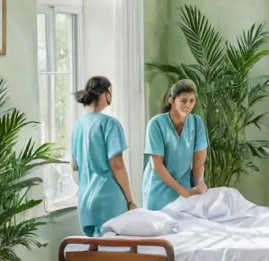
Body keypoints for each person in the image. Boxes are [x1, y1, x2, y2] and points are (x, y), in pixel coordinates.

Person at [69, 75, 137, 236]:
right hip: (109, 199)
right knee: (115, 253)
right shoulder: (110, 124)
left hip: (86, 201)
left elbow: (74, 165)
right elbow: (117, 165)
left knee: (96, 255)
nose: (111, 97)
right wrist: (130, 201)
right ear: (103, 94)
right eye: (110, 92)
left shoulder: (78, 126)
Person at [143, 79, 208, 210]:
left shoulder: (196, 123)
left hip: (185, 191)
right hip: (158, 191)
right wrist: (182, 191)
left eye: (192, 101)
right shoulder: (156, 124)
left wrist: (199, 187)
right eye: (183, 100)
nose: (188, 105)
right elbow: (158, 165)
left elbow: (199, 163)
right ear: (171, 100)